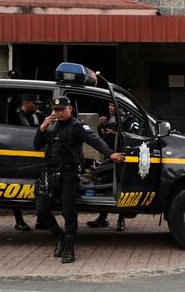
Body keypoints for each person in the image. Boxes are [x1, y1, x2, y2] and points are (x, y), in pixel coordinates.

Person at [34, 96, 125, 263]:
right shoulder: (52, 125)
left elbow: (95, 140)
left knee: (68, 213)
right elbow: (36, 145)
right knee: (41, 211)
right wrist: (42, 127)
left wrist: (110, 153)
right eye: (56, 110)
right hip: (49, 173)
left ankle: (69, 248)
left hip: (68, 175)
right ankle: (60, 237)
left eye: (62, 109)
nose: (59, 112)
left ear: (70, 109)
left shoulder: (78, 126)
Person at [86, 102, 126, 231]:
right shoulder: (109, 118)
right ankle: (102, 218)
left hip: (119, 155)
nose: (110, 108)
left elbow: (129, 136)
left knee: (120, 185)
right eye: (109, 105)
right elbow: (102, 136)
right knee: (106, 184)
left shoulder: (126, 119)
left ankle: (121, 219)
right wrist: (100, 125)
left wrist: (114, 133)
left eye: (112, 106)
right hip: (108, 154)